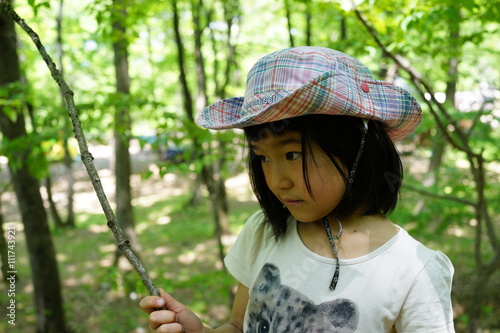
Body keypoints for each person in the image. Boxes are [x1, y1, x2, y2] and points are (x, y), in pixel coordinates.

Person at [140, 46, 455, 332]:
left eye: (292, 154)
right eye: (263, 157)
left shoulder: (414, 271)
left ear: (355, 148)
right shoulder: (264, 231)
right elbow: (240, 325)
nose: (277, 180)